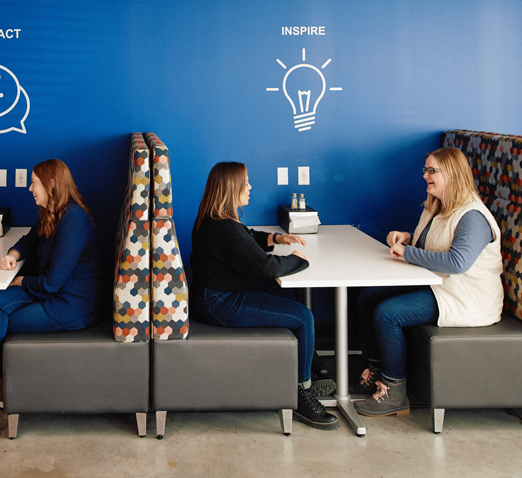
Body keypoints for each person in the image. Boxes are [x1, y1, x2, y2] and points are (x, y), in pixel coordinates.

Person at [0, 158, 104, 431]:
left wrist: (19, 280)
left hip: (72, 305)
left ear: (51, 184)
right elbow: (30, 239)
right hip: (54, 293)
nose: (30, 189)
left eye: (34, 182)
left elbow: (52, 283)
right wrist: (13, 255)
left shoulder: (74, 220)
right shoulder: (54, 211)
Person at [354, 146, 503, 417]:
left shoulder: (473, 216)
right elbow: (435, 243)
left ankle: (395, 391)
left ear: (453, 174)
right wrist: (408, 238)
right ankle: (376, 369)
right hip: (440, 285)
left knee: (387, 314)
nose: (425, 176)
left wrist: (408, 252)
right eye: (425, 170)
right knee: (367, 297)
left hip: (466, 298)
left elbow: (458, 262)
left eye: (432, 171)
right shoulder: (436, 205)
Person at [188, 162, 338, 430]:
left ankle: (310, 368)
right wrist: (297, 260)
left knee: (288, 294)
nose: (250, 187)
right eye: (245, 183)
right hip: (218, 302)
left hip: (218, 294)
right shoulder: (223, 228)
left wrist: (276, 240)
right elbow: (266, 267)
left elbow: (248, 238)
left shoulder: (215, 220)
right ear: (231, 188)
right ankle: (302, 393)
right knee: (303, 317)